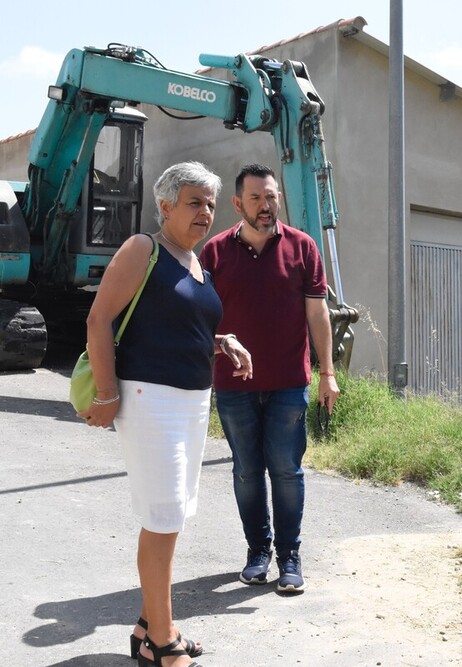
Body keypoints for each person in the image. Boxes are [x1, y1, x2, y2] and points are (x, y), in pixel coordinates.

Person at [80, 161, 252, 667]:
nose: (205, 212)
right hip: (150, 401)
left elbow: (175, 324)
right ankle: (161, 641)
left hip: (193, 402)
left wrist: (221, 342)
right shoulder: (143, 249)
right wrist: (107, 393)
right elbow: (99, 318)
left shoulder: (198, 264)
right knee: (163, 518)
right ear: (165, 206)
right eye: (194, 202)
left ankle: (148, 627)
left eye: (210, 204)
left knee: (174, 514)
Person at [199, 163, 339, 595]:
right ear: (238, 203)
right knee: (245, 471)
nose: (265, 205)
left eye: (271, 197)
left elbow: (318, 313)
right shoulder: (215, 253)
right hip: (233, 384)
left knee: (286, 469)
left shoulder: (303, 248)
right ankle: (257, 551)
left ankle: (289, 557)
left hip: (287, 383)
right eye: (256, 198)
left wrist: (327, 373)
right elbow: (200, 317)